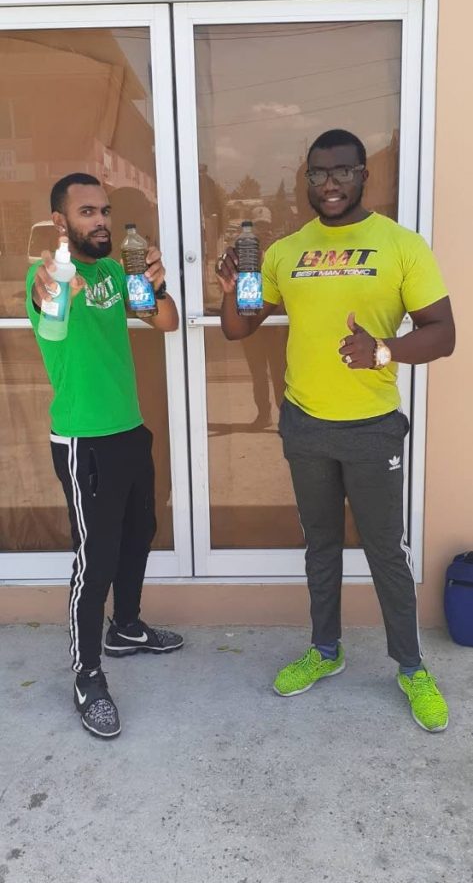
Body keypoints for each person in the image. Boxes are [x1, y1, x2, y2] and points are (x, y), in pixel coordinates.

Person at [216, 129, 455, 733]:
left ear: (362, 175)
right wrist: (229, 296)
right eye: (318, 173)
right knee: (320, 548)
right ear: (306, 178)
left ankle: (411, 667)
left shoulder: (401, 245)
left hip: (372, 430)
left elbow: (442, 332)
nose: (329, 183)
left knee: (385, 554)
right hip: (306, 426)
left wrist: (382, 350)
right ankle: (325, 651)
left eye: (342, 172)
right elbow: (241, 329)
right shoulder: (285, 251)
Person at [26, 173, 183, 740]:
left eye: (106, 211)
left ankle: (127, 628)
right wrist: (54, 293)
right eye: (87, 211)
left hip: (128, 430)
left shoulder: (118, 272)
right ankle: (87, 676)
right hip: (83, 440)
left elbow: (164, 323)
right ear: (60, 221)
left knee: (140, 530)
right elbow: (51, 321)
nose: (101, 221)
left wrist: (156, 287)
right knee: (96, 558)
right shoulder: (48, 278)